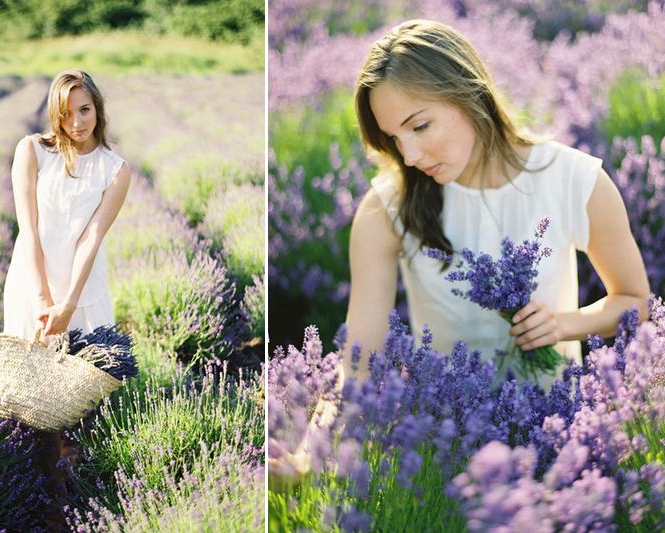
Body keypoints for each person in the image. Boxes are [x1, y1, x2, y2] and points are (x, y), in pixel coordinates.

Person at [269, 19, 649, 484]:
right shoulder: (385, 209)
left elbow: (635, 301)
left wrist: (567, 323)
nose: (408, 155)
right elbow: (359, 360)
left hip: (556, 439)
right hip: (443, 453)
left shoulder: (574, 180)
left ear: (468, 92)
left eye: (420, 126)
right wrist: (311, 454)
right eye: (393, 139)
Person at [2, 68, 131, 527]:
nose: (78, 122)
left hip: (83, 289)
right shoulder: (32, 151)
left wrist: (68, 304)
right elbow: (28, 226)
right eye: (68, 112)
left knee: (83, 395)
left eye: (85, 110)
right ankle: (36, 492)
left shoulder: (116, 170)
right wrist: (42, 297)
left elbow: (91, 239)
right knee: (33, 395)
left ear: (98, 109)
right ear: (54, 114)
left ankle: (80, 492)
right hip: (31, 282)